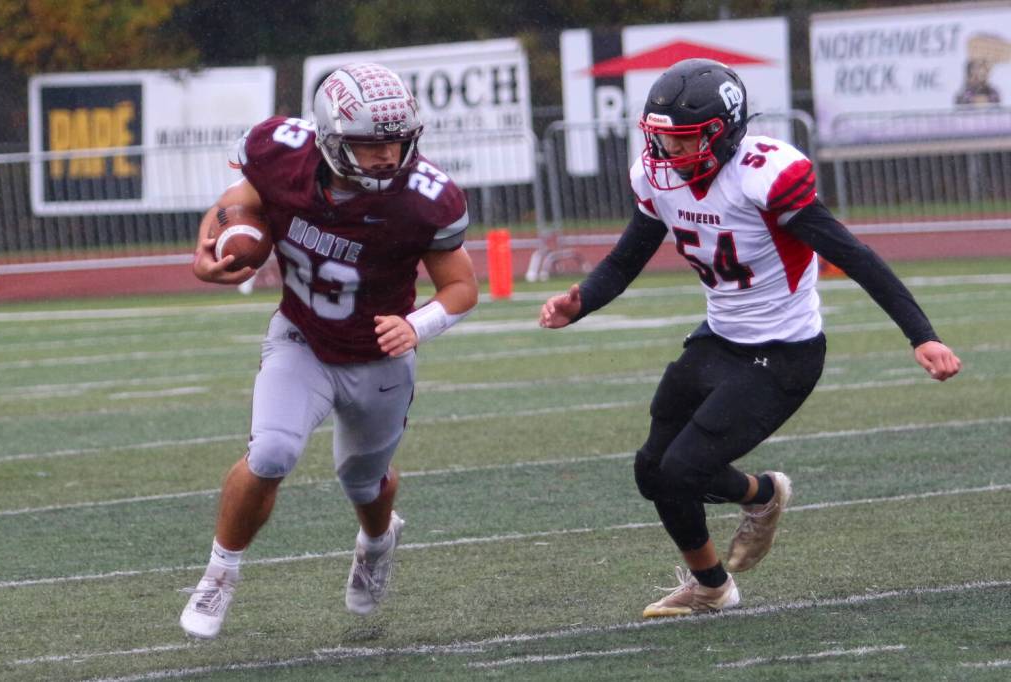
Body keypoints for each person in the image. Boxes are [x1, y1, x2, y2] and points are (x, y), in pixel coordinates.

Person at [539, 59, 961, 619]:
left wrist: (921, 336)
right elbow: (625, 259)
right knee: (652, 471)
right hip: (720, 337)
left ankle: (736, 547)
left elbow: (854, 257)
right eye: (661, 140)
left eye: (684, 142)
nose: (668, 155)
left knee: (683, 469)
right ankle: (722, 567)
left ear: (724, 132)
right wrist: (582, 301)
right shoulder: (656, 176)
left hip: (784, 352)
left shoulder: (763, 175)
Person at [181, 63, 478, 638]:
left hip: (378, 357)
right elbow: (235, 204)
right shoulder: (279, 152)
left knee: (363, 482)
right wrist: (209, 248)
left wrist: (419, 326)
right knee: (270, 453)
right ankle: (220, 574)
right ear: (330, 136)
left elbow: (462, 288)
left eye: (395, 141)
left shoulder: (425, 199)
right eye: (369, 144)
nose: (387, 156)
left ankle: (376, 541)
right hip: (302, 339)